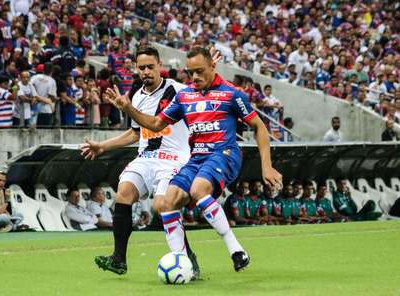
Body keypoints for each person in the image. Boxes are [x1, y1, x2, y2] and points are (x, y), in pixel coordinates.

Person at [106, 46, 282, 272]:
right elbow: (156, 124)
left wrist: (266, 167)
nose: (195, 77)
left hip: (223, 153)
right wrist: (129, 109)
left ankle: (236, 250)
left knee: (199, 190)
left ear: (212, 66)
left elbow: (259, 126)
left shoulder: (231, 93)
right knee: (166, 203)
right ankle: (182, 262)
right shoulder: (185, 96)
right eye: (191, 73)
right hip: (196, 157)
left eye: (200, 71)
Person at [81, 46, 204, 277]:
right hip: (147, 157)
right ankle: (119, 259)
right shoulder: (137, 96)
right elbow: (135, 133)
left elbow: (160, 122)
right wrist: (102, 146)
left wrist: (128, 108)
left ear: (160, 67)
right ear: (136, 70)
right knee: (123, 193)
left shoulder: (177, 91)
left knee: (162, 206)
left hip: (173, 158)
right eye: (142, 68)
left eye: (150, 67)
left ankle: (187, 256)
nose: (146, 71)